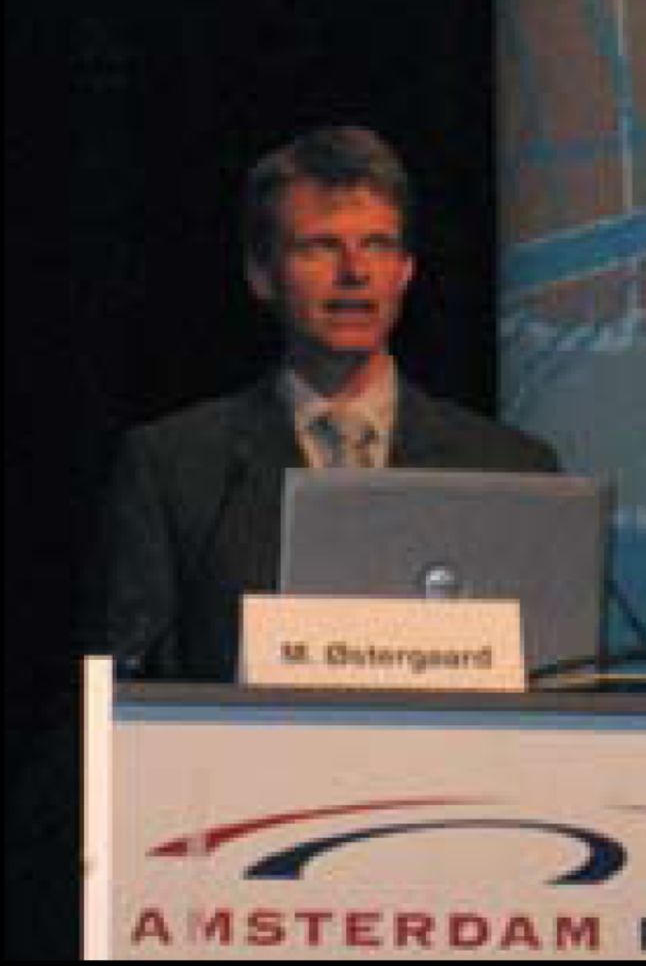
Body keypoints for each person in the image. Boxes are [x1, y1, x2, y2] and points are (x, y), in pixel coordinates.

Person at [101, 125, 559, 681]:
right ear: (262, 274)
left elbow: (557, 681)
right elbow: (127, 683)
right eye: (320, 247)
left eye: (377, 246)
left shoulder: (509, 469)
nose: (354, 273)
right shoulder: (180, 470)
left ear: (405, 271)